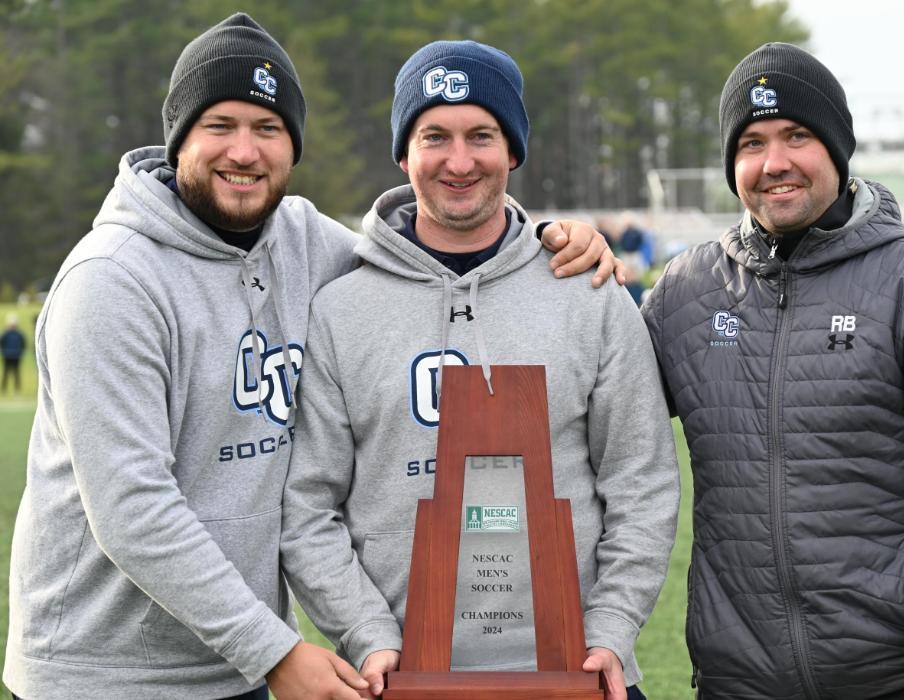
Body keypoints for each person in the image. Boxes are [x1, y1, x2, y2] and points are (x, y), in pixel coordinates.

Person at [3, 15, 617, 700]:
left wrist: (547, 242)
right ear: (178, 137)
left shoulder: (304, 242)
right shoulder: (112, 280)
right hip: (104, 671)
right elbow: (132, 508)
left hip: (232, 664)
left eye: (268, 130)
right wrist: (275, 651)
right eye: (220, 125)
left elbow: (427, 256)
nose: (244, 151)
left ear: (293, 146)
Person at [278, 40, 680, 700]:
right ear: (403, 153)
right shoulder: (339, 310)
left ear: (513, 150)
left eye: (481, 135)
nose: (458, 161)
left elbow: (641, 482)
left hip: (577, 677)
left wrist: (609, 629)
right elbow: (308, 508)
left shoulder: (590, 291)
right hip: (407, 680)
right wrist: (368, 635)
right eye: (434, 135)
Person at [641, 43, 904, 699]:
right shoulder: (685, 292)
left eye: (797, 136)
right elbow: (592, 411)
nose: (774, 163)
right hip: (738, 683)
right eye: (751, 143)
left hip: (897, 682)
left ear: (840, 151)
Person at [0, 314, 26, 394]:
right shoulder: (5, 333)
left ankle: (17, 389)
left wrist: (20, 352)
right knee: (6, 373)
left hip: (16, 356)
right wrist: (4, 351)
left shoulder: (19, 334)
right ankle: (4, 389)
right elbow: (1, 343)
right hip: (7, 356)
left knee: (16, 373)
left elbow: (23, 344)